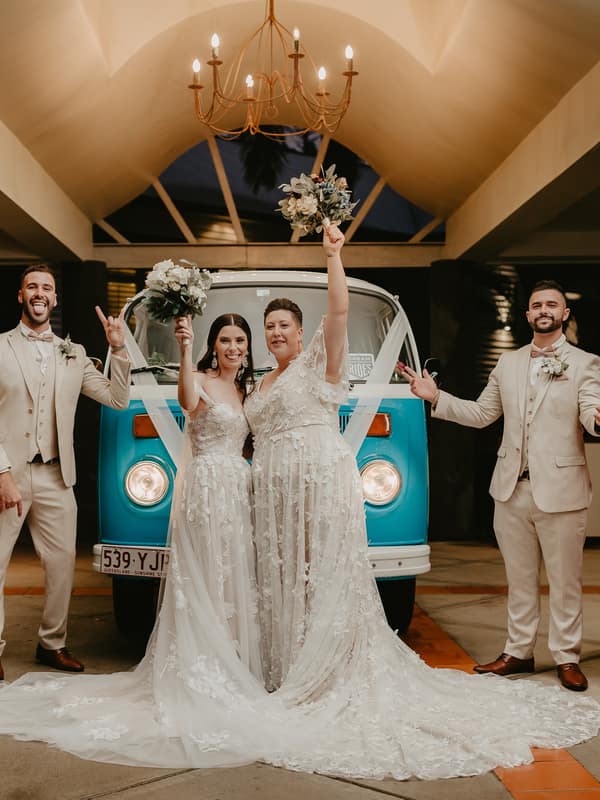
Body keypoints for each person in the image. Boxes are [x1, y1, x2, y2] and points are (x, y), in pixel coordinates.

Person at [0, 256, 599, 780]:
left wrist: (334, 254)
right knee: (273, 581)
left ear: (296, 333)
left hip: (312, 485)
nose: (267, 336)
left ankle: (323, 674)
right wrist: (177, 349)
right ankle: (272, 668)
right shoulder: (245, 381)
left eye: (277, 327)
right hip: (247, 493)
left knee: (320, 578)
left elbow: (337, 318)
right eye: (263, 330)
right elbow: (190, 401)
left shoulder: (305, 366)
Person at [403, 280, 600, 692]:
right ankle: (519, 652)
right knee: (519, 577)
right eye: (536, 305)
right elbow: (480, 414)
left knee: (565, 580)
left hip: (562, 490)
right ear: (527, 316)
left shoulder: (585, 363)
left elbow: (590, 411)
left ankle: (567, 657)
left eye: (552, 304)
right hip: (510, 489)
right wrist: (435, 396)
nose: (543, 310)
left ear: (565, 314)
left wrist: (597, 418)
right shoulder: (507, 364)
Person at [0, 263, 130, 680]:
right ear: (21, 296)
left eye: (47, 288)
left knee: (61, 567)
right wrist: (1, 472)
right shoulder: (0, 347)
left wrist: (119, 348)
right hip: (8, 474)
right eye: (32, 287)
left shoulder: (73, 354)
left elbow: (116, 398)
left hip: (58, 475)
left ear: (55, 300)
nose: (40, 293)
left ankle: (51, 644)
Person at [173, 313, 262, 677]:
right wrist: (184, 350)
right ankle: (205, 662)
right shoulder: (198, 379)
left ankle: (234, 655)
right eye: (225, 340)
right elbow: (187, 402)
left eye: (240, 341)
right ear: (213, 345)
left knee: (236, 567)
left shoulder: (246, 391)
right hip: (207, 484)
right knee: (210, 566)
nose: (233, 347)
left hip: (238, 487)